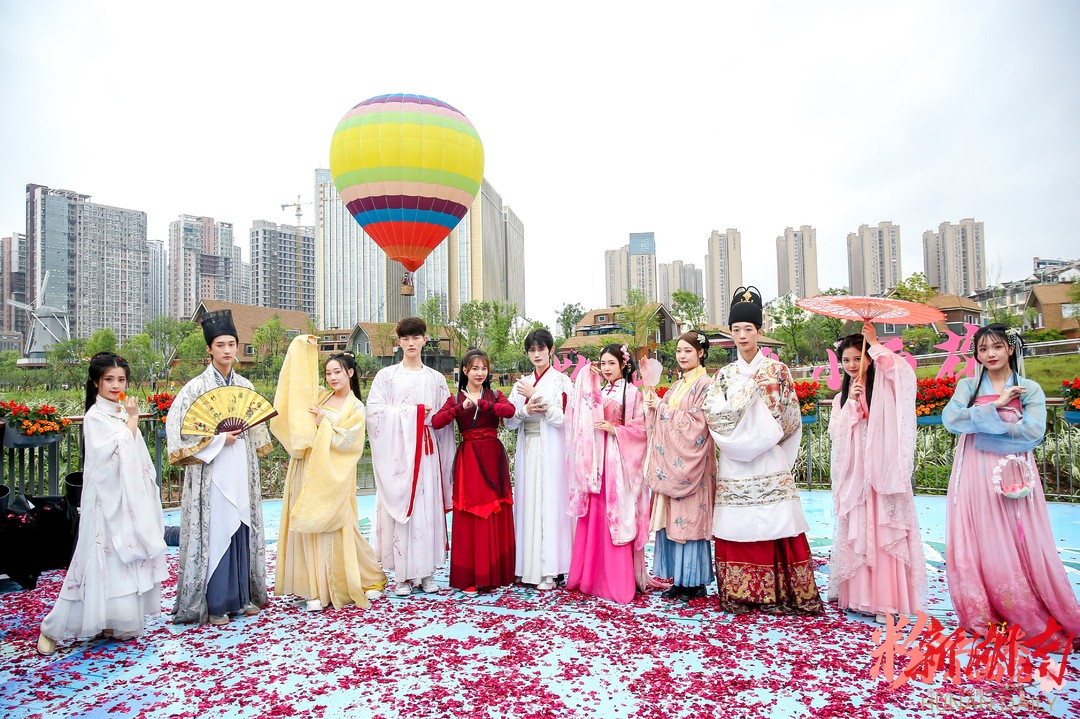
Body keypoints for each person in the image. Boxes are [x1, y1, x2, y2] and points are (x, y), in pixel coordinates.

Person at [943, 323, 1080, 645]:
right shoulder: (968, 386)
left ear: (1011, 349)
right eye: (983, 349)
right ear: (976, 355)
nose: (990, 354)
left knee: (1016, 534)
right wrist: (998, 407)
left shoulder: (1029, 388)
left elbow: (1034, 431)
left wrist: (987, 420)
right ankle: (982, 608)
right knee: (977, 532)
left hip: (1012, 469)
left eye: (997, 347)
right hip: (973, 469)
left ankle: (1025, 605)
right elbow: (951, 420)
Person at [36, 353, 167, 655]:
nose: (115, 385)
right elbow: (112, 457)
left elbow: (135, 457)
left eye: (121, 379)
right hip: (105, 502)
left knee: (121, 561)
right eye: (109, 379)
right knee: (92, 561)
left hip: (125, 500)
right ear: (96, 381)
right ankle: (52, 627)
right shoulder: (95, 416)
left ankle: (112, 620)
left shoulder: (118, 412)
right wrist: (133, 419)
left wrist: (129, 419)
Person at [703, 288, 823, 615]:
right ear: (730, 332)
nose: (742, 336)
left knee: (775, 522)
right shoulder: (724, 376)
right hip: (736, 461)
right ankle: (742, 594)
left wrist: (764, 439)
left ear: (759, 332)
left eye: (749, 330)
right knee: (740, 525)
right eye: (736, 329)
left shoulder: (776, 370)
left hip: (769, 459)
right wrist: (745, 430)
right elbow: (714, 416)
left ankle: (781, 593)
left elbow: (790, 417)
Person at [167, 310, 273, 625]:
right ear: (209, 350)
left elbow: (256, 428)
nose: (227, 350)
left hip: (239, 462)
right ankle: (216, 602)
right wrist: (217, 440)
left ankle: (241, 598)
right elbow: (182, 433)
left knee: (241, 524)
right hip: (212, 468)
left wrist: (238, 437)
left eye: (232, 344)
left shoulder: (245, 385)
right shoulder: (195, 389)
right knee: (216, 528)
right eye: (220, 345)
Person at [271, 336, 387, 612]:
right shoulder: (321, 396)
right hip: (308, 468)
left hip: (334, 474)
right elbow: (297, 387)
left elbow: (349, 442)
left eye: (337, 372)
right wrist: (301, 347)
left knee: (336, 526)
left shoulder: (355, 407)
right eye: (328, 373)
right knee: (307, 524)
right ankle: (312, 586)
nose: (332, 377)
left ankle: (343, 582)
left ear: (350, 373)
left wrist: (325, 422)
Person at [828, 324, 926, 623]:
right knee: (859, 528)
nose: (851, 365)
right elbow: (837, 433)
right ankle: (859, 596)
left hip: (882, 471)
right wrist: (852, 406)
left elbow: (905, 375)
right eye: (846, 360)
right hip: (856, 473)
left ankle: (888, 601)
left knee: (884, 530)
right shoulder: (842, 397)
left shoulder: (887, 387)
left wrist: (874, 343)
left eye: (858, 358)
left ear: (869, 359)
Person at [366, 317, 455, 597]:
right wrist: (413, 414)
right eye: (405, 338)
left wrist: (431, 422)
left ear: (425, 339)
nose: (411, 343)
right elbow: (374, 413)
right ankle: (403, 575)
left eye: (416, 337)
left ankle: (427, 572)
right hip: (398, 453)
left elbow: (444, 417)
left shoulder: (435, 378)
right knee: (403, 509)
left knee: (426, 508)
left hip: (426, 451)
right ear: (399, 342)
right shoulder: (387, 376)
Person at [565, 343, 651, 604]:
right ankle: (591, 577)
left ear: (623, 365)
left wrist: (616, 430)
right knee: (595, 515)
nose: (606, 368)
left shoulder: (633, 393)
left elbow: (642, 428)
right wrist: (586, 378)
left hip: (618, 460)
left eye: (612, 363)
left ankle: (617, 581)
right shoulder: (598, 391)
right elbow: (579, 413)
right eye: (603, 364)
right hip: (596, 462)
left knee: (616, 516)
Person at [431, 349, 516, 596]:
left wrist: (482, 404)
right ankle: (470, 575)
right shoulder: (455, 399)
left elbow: (509, 412)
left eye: (484, 368)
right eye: (474, 368)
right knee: (469, 513)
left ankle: (495, 574)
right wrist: (461, 408)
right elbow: (436, 422)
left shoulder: (495, 394)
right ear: (465, 370)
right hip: (468, 458)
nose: (480, 373)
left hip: (492, 455)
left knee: (495, 511)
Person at [644, 331, 716, 601]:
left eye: (688, 350)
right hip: (673, 465)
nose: (683, 355)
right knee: (674, 521)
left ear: (701, 353)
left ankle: (695, 582)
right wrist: (653, 406)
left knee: (691, 520)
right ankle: (679, 579)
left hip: (693, 465)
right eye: (679, 351)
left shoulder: (705, 383)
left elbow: (699, 423)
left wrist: (662, 409)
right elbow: (664, 417)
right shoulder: (678, 386)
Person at [504, 328, 574, 591]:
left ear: (550, 351)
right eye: (532, 350)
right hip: (528, 449)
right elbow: (509, 420)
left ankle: (551, 570)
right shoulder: (520, 383)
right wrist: (524, 410)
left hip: (553, 450)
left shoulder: (562, 382)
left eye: (541, 349)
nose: (536, 354)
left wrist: (536, 396)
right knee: (527, 504)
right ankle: (526, 568)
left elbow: (566, 418)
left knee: (550, 504)